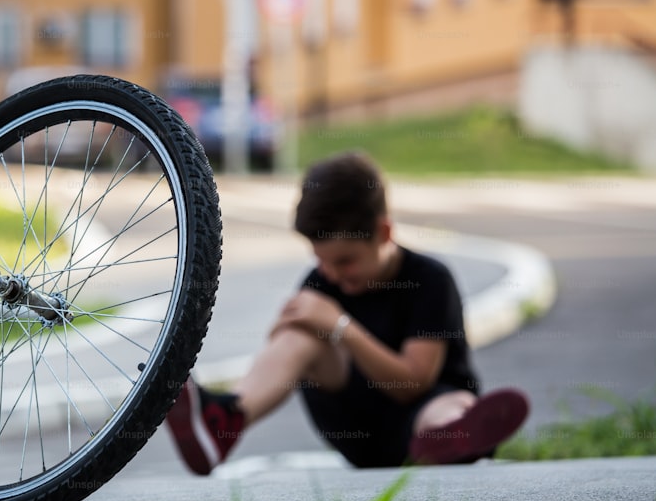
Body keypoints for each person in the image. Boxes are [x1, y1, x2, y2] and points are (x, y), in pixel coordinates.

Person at [166, 152, 528, 475]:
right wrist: (290, 332)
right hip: (358, 429)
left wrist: (340, 326)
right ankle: (224, 421)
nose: (332, 273)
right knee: (301, 336)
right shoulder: (320, 283)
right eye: (320, 260)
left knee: (452, 406)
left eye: (345, 261)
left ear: (383, 232)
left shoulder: (429, 280)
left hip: (420, 411)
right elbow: (281, 348)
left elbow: (413, 384)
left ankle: (451, 440)